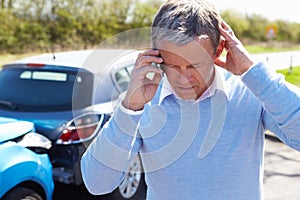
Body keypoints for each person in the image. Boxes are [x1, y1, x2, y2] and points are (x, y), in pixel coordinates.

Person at [81, 0, 300, 199]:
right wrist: (130, 108)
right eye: (174, 65)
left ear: (219, 50)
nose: (184, 78)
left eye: (195, 65)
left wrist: (252, 72)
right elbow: (97, 184)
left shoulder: (252, 90)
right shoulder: (141, 100)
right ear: (156, 55)